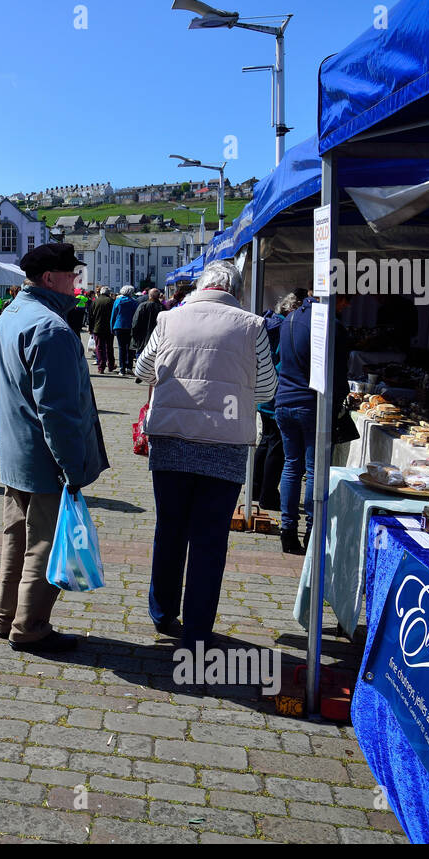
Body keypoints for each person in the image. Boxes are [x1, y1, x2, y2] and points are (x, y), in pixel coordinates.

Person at [134, 260, 276, 647]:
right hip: (225, 444)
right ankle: (197, 630)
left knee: (170, 530)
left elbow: (142, 368)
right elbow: (266, 389)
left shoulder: (169, 319)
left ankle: (162, 612)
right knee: (210, 541)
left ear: (201, 285)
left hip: (171, 440)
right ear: (236, 290)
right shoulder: (252, 326)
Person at [0, 243, 109, 654]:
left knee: (17, 540)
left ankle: (6, 617)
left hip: (16, 454)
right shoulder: (52, 328)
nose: (77, 283)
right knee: (43, 544)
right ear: (50, 279)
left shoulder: (14, 313)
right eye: (71, 275)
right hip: (44, 459)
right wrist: (73, 468)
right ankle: (30, 626)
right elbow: (58, 411)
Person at [275, 288, 352, 555]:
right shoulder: (331, 325)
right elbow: (339, 377)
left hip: (284, 400)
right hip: (312, 405)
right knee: (313, 470)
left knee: (292, 466)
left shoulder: (290, 318)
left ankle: (287, 531)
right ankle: (311, 531)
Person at [251, 291, 305, 520]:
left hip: (263, 391)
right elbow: (283, 363)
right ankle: (268, 495)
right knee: (276, 446)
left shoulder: (268, 322)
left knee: (266, 441)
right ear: (292, 309)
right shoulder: (284, 328)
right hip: (276, 392)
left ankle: (255, 488)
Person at [111, 285, 138, 375]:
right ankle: (129, 367)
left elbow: (113, 315)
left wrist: (112, 327)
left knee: (121, 348)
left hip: (119, 326)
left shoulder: (117, 301)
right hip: (130, 327)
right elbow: (136, 316)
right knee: (130, 348)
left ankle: (122, 369)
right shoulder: (134, 302)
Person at [87, 286, 114, 373]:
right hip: (109, 328)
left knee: (99, 348)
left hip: (97, 328)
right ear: (108, 293)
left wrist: (90, 328)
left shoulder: (95, 301)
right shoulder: (111, 301)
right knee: (109, 347)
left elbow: (90, 316)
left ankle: (101, 367)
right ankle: (111, 365)